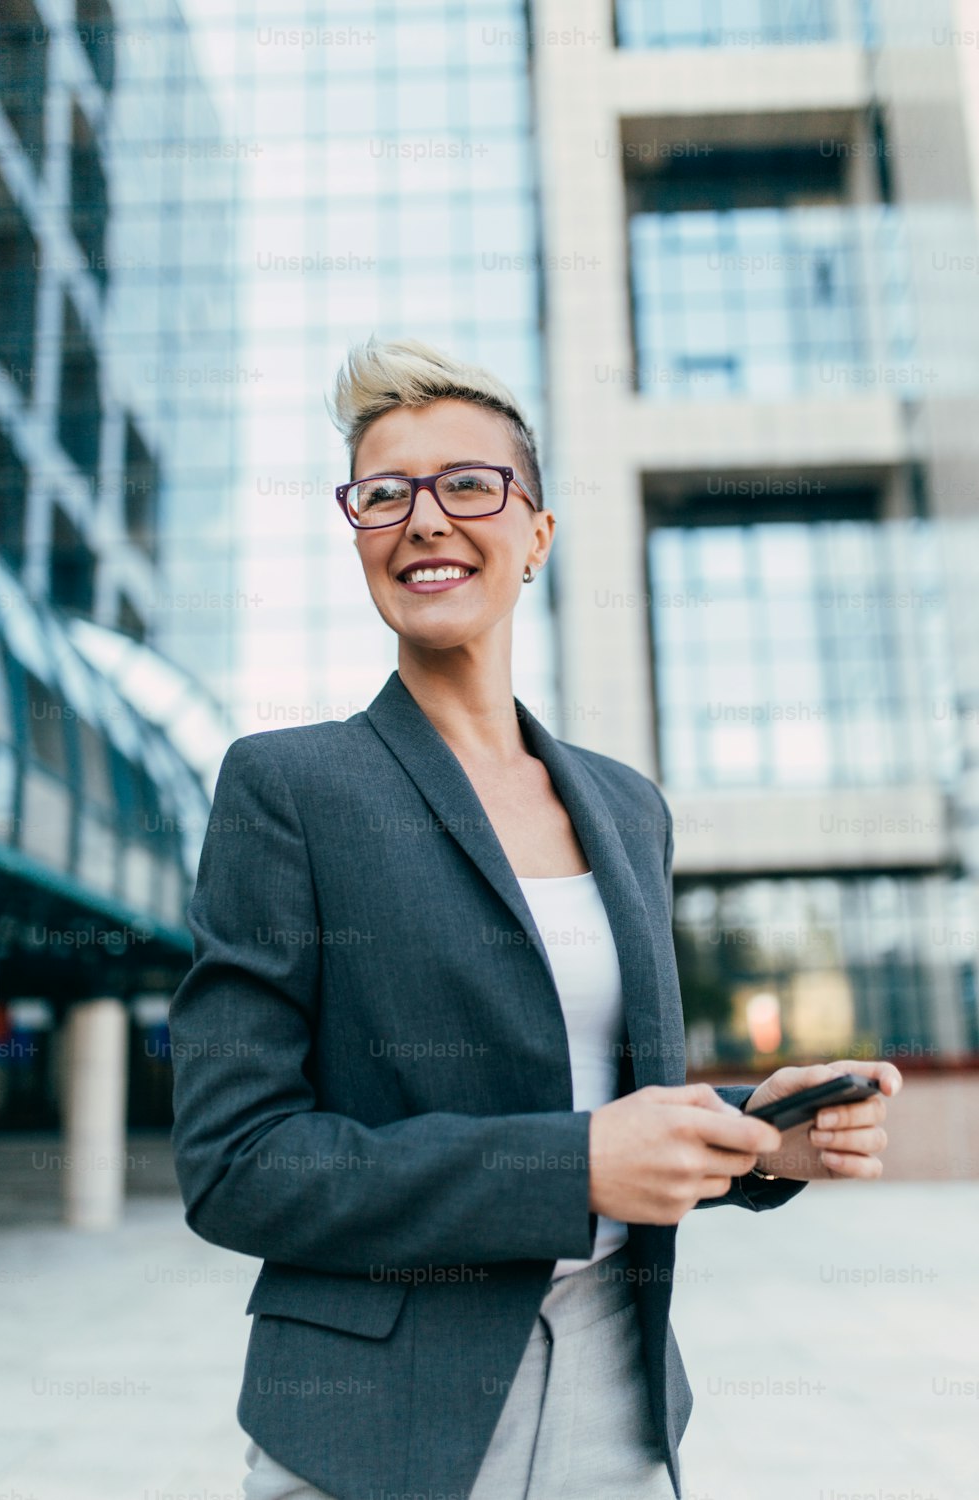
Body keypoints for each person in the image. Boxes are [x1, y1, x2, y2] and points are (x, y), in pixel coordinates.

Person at [167, 337, 902, 1500]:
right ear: (355, 532)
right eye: (383, 493)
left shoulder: (624, 806)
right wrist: (574, 1168)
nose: (424, 519)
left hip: (621, 1403)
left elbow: (594, 1104)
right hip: (378, 1434)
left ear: (538, 537)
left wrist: (753, 1136)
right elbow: (235, 1164)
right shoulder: (289, 789)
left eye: (468, 484)